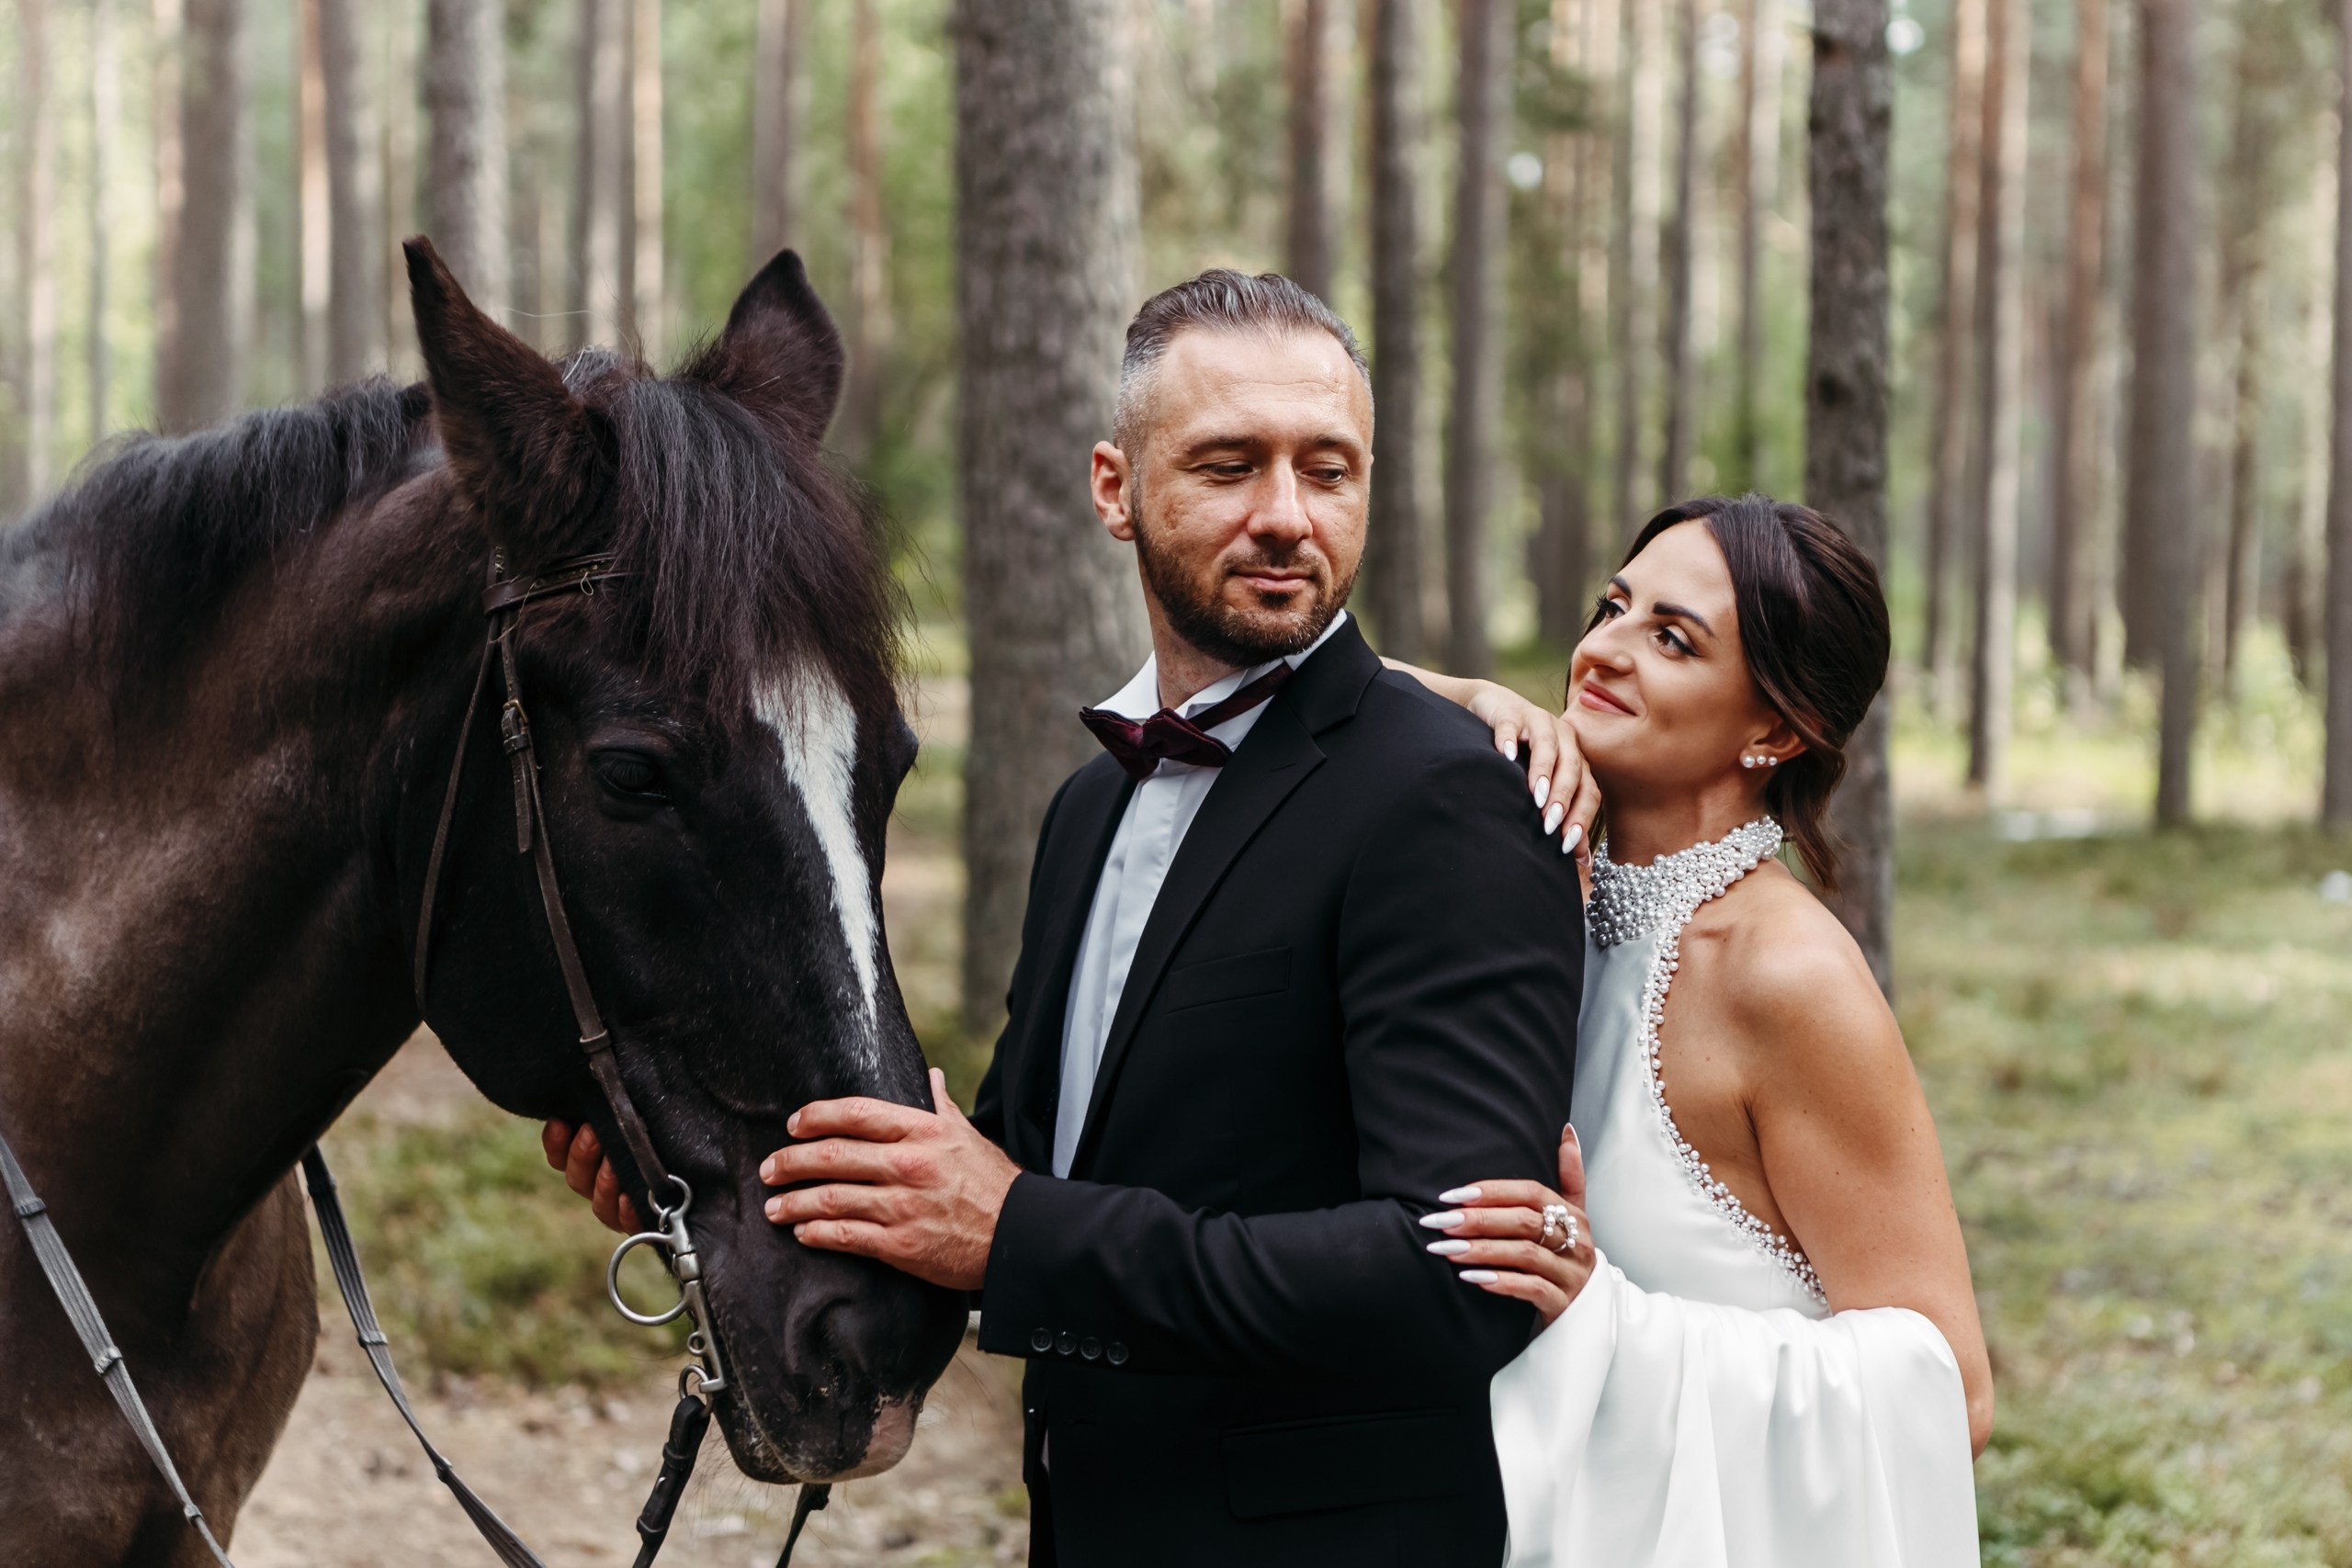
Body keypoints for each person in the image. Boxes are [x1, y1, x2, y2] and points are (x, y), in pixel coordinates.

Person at [549, 269, 1587, 1566]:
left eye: (1329, 470)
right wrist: (732, 1167)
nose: (1286, 515)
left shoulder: (1445, 799)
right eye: (1227, 465)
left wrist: (1016, 1228)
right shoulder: (1089, 809)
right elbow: (1032, 1164)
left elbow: (1454, 1283)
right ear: (1115, 487)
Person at [1400, 495, 1991, 1566]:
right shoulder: (1536, 886)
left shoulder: (1785, 976)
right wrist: (1481, 698)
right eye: (1612, 607)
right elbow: (1332, 689)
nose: (1602, 653)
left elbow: (1950, 1388)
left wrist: (1607, 1324)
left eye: (1671, 639)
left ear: (1774, 729)